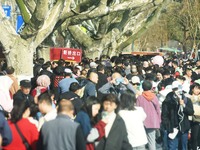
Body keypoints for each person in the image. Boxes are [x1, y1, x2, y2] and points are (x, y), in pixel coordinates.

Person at [161, 81, 194, 150]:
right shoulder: (167, 101)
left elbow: (191, 112)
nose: (177, 91)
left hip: (184, 128)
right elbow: (164, 116)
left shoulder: (186, 99)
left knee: (183, 147)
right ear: (172, 90)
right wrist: (168, 127)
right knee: (172, 147)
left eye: (178, 89)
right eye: (175, 89)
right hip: (173, 128)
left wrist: (183, 105)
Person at [136, 80, 161, 150]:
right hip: (153, 121)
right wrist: (158, 121)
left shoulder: (139, 98)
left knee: (142, 141)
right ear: (151, 87)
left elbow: (137, 109)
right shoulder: (154, 97)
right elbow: (158, 110)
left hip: (142, 122)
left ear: (142, 87)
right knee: (152, 141)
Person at [187, 82, 200, 150]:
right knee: (189, 136)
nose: (198, 90)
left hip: (197, 118)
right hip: (189, 118)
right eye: (196, 88)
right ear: (192, 89)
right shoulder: (188, 97)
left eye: (199, 89)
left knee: (195, 136)